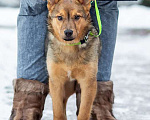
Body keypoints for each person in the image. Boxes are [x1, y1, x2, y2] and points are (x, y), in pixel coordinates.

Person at [10, 0, 118, 120]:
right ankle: (26, 106)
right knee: (34, 2)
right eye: (60, 18)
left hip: (86, 51)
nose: (68, 28)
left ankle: (98, 106)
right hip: (57, 51)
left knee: (103, 2)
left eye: (76, 17)